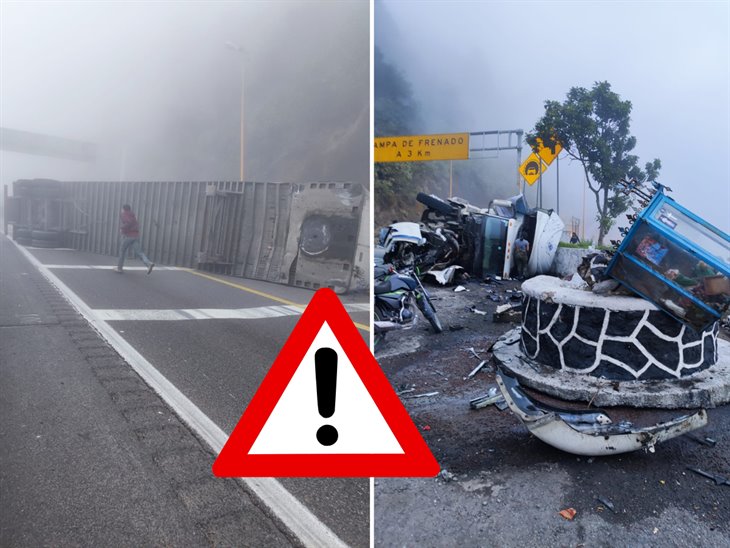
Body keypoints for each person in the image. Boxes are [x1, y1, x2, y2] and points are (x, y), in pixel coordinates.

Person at [116, 204, 154, 274]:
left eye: (122, 209)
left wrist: (122, 228)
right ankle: (148, 263)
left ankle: (119, 268)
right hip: (135, 236)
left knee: (122, 251)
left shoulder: (124, 214)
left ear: (124, 209)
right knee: (139, 252)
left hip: (128, 236)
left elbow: (128, 223)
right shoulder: (133, 215)